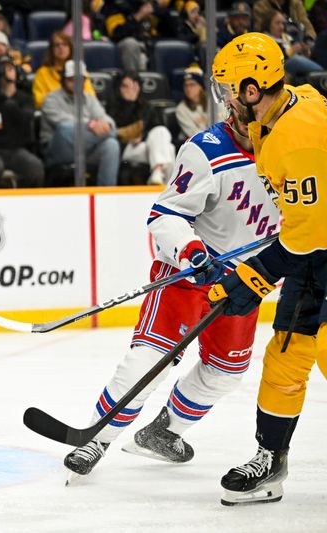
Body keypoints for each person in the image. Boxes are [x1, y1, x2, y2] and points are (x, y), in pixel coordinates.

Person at [63, 104, 280, 479]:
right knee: (150, 359)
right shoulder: (208, 149)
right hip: (192, 271)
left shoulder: (291, 152)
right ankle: (97, 438)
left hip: (245, 281)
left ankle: (163, 433)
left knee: (226, 372)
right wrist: (191, 252)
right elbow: (166, 215)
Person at [208, 31, 327, 506]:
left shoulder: (297, 140)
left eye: (231, 89)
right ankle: (270, 461)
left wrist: (250, 277)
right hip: (313, 257)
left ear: (253, 89)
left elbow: (306, 238)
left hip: (317, 251)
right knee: (284, 360)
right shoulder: (290, 107)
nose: (228, 100)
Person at [40, 60, 120, 187]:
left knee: (111, 145)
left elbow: (106, 119)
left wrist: (108, 125)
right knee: (65, 128)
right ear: (64, 80)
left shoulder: (89, 98)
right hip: (59, 150)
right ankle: (116, 134)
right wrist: (92, 125)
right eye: (72, 79)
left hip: (86, 149)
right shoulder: (51, 99)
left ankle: (106, 195)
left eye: (80, 79)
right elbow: (64, 123)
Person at [0, 55, 44, 188]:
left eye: (10, 68)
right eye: (2, 69)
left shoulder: (26, 98)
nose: (6, 72)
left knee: (35, 168)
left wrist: (6, 102)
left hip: (16, 149)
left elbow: (25, 122)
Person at [108, 71, 176, 185]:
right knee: (169, 150)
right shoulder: (113, 106)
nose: (131, 89)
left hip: (144, 145)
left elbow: (156, 128)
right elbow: (114, 129)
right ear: (119, 88)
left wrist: (142, 137)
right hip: (125, 147)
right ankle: (168, 187)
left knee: (162, 132)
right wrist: (129, 103)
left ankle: (157, 173)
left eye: (135, 85)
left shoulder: (147, 106)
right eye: (126, 86)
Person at [32, 30, 94, 111]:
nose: (61, 48)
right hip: (53, 113)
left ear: (70, 48)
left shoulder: (79, 69)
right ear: (51, 49)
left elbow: (91, 96)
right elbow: (38, 100)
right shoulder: (42, 72)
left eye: (65, 44)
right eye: (57, 45)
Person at [262, 9, 323, 80]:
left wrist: (305, 51)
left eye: (283, 23)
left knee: (314, 47)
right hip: (278, 68)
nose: (281, 27)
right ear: (268, 24)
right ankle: (323, 74)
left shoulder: (287, 37)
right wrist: (291, 50)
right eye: (277, 23)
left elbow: (304, 58)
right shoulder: (265, 39)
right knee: (295, 60)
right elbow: (275, 61)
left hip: (296, 67)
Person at [175, 65, 210, 140]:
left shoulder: (213, 102)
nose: (188, 88)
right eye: (186, 85)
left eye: (192, 85)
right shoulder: (181, 109)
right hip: (198, 144)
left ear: (201, 87)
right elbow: (194, 134)